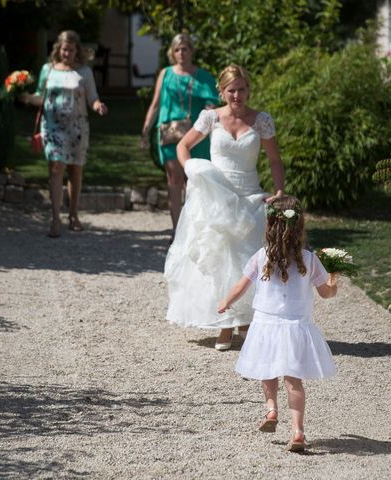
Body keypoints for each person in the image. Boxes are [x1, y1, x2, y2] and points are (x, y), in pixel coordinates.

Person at [164, 64, 285, 350]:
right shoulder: (211, 117)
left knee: (247, 259)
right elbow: (183, 146)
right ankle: (225, 325)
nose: (237, 95)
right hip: (216, 196)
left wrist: (279, 192)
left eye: (242, 89)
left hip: (249, 195)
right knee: (218, 258)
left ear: (249, 90)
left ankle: (245, 321)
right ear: (222, 91)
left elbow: (275, 160)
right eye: (231, 90)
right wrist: (192, 170)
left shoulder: (261, 121)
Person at [217, 194, 337, 452]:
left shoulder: (262, 257)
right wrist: (333, 284)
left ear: (270, 226)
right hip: (296, 327)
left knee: (267, 370)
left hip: (265, 325)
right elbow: (326, 294)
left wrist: (226, 302)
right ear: (300, 226)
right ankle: (297, 431)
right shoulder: (310, 259)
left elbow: (241, 285)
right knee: (293, 380)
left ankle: (271, 409)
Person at [21, 30, 108, 238]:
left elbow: (92, 97)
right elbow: (40, 96)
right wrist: (23, 96)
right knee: (56, 167)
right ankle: (55, 218)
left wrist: (98, 106)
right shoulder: (48, 70)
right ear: (58, 49)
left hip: (77, 128)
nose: (67, 53)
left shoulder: (84, 72)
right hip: (52, 127)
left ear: (77, 50)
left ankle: (74, 214)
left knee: (75, 170)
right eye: (64, 49)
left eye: (71, 49)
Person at [141, 33, 218, 231]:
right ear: (172, 53)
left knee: (194, 181)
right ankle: (176, 230)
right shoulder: (165, 74)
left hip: (196, 136)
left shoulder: (204, 76)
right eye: (177, 49)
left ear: (192, 51)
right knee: (174, 180)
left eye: (184, 48)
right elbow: (156, 103)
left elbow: (213, 104)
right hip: (169, 134)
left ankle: (193, 230)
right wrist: (146, 127)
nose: (181, 53)